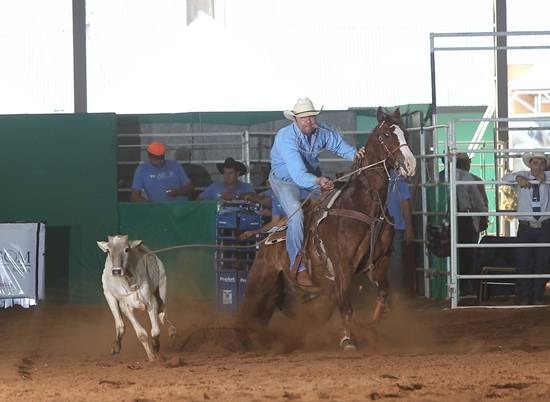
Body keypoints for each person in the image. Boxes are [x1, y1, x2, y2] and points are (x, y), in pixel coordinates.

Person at [269, 97, 364, 287]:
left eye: (312, 117)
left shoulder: (321, 132)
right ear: (294, 119)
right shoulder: (286, 138)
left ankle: (329, 253)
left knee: (335, 204)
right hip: (285, 182)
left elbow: (337, 145)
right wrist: (318, 181)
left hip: (310, 178)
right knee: (296, 215)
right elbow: (297, 174)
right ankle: (298, 264)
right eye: (304, 118)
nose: (309, 121)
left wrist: (355, 154)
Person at [502, 151, 550, 305]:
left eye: (541, 163)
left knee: (542, 262)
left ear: (545, 165)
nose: (538, 166)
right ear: (529, 164)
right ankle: (524, 296)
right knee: (523, 261)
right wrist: (517, 178)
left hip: (544, 226)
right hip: (526, 226)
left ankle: (537, 296)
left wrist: (546, 178)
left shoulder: (548, 177)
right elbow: (504, 178)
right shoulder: (521, 175)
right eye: (535, 163)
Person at [439, 153, 489, 295]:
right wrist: (482, 217)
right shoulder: (470, 178)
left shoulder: (440, 177)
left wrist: (482, 216)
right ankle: (465, 286)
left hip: (452, 219)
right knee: (467, 252)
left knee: (452, 251)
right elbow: (480, 202)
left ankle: (456, 286)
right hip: (465, 218)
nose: (467, 164)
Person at [387, 170, 414, 295]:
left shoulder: (398, 177)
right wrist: (408, 227)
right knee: (395, 260)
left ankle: (393, 293)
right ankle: (394, 294)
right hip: (393, 225)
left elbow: (405, 203)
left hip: (391, 225)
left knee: (394, 261)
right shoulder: (399, 177)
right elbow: (405, 203)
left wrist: (408, 227)